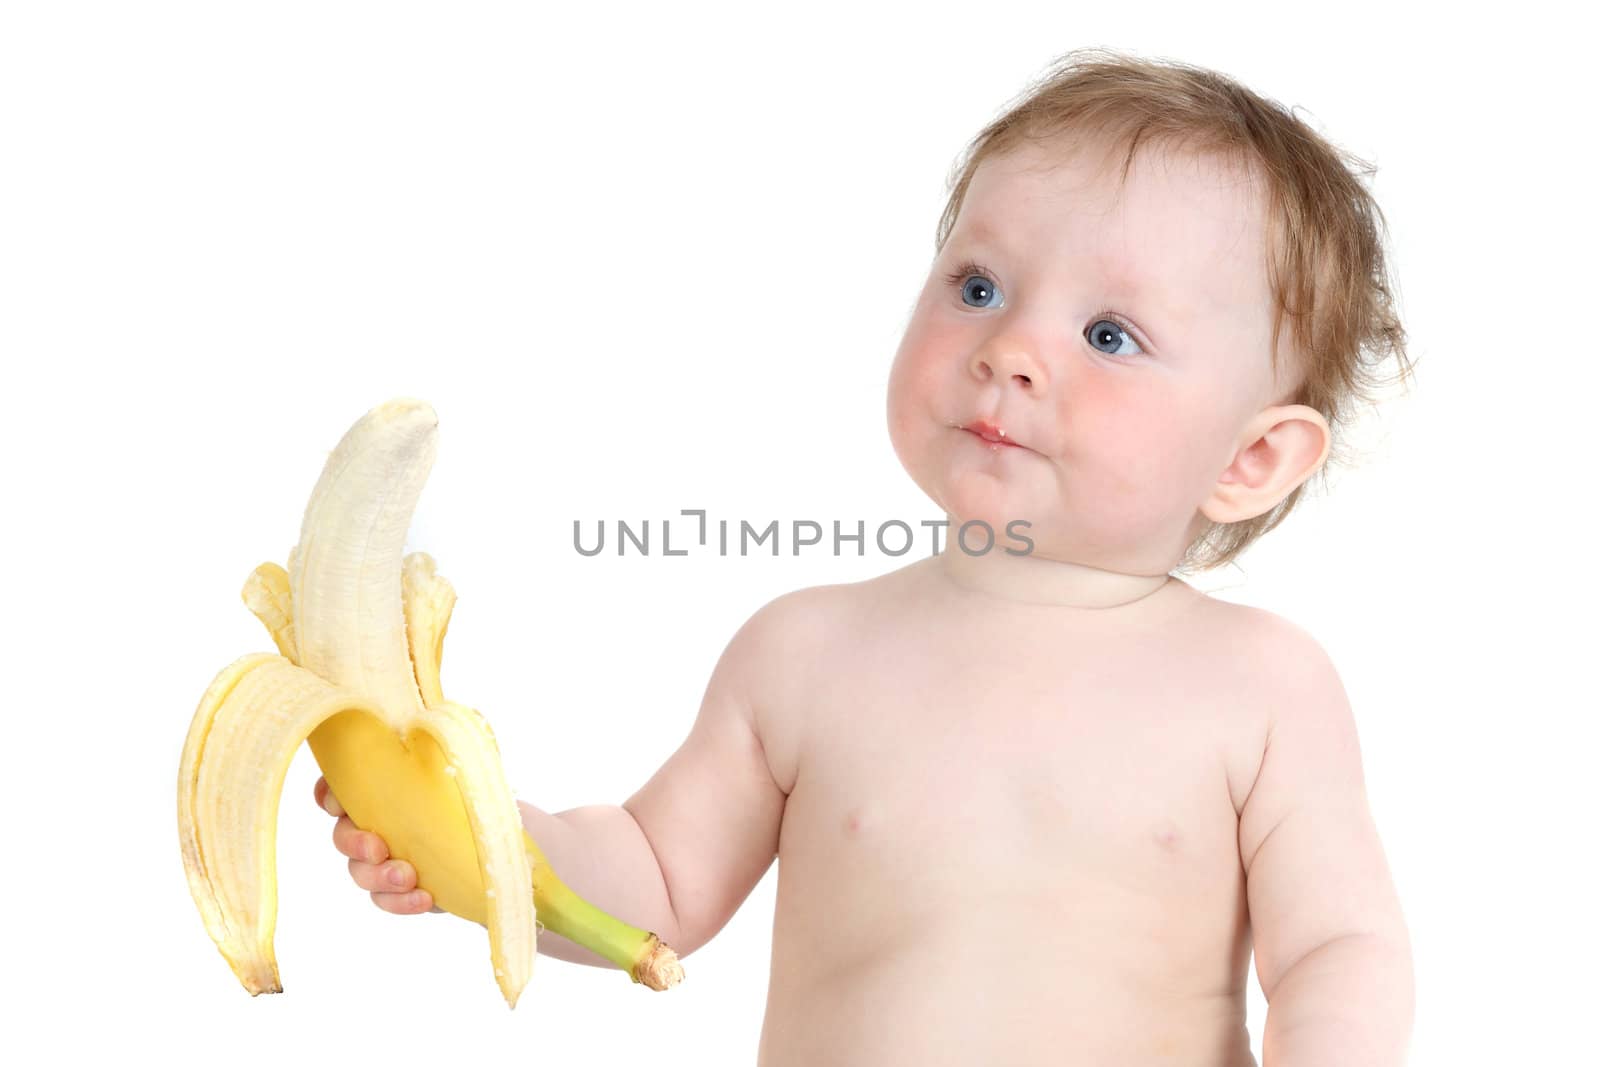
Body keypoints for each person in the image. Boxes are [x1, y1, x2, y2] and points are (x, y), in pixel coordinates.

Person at [316, 47, 1416, 1065]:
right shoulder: (805, 650)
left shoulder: (1261, 685)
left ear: (1253, 456)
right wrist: (486, 841)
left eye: (1109, 334)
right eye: (978, 286)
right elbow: (654, 876)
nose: (1011, 349)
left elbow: (1337, 948)